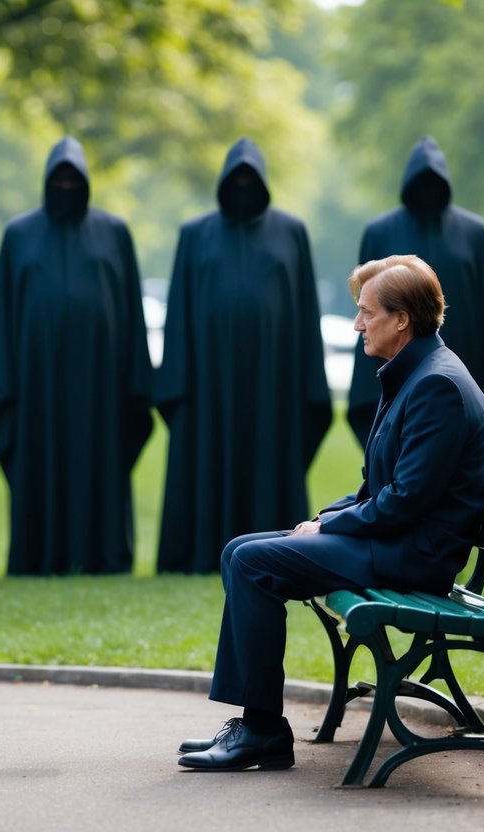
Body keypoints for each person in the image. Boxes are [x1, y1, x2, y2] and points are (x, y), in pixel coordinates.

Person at [177, 255, 484, 771]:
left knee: (254, 563)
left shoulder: (438, 385)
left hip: (415, 556)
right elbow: (378, 487)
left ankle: (262, 731)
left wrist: (329, 525)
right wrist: (327, 516)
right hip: (395, 541)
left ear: (401, 320)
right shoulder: (416, 374)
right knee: (240, 550)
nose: (357, 324)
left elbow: (405, 501)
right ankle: (256, 726)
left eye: (367, 313)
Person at [0, 136, 153, 575]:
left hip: (102, 388)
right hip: (38, 390)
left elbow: (130, 312)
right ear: (46, 182)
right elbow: (5, 316)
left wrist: (137, 385)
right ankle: (40, 555)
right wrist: (5, 388)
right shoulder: (18, 236)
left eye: (75, 179)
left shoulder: (113, 233)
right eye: (59, 179)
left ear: (87, 182)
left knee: (101, 466)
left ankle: (102, 555)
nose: (67, 186)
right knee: (40, 467)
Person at [155, 137, 331, 574]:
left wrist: (309, 383)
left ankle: (275, 550)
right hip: (207, 385)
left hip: (273, 381)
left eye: (251, 180)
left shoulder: (291, 232)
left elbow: (304, 310)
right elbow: (179, 311)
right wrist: (176, 383)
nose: (243, 187)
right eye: (236, 180)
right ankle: (200, 552)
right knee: (207, 456)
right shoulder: (194, 235)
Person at [347, 136, 484, 445]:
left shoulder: (475, 234)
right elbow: (367, 305)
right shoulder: (380, 233)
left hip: (463, 380)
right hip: (393, 378)